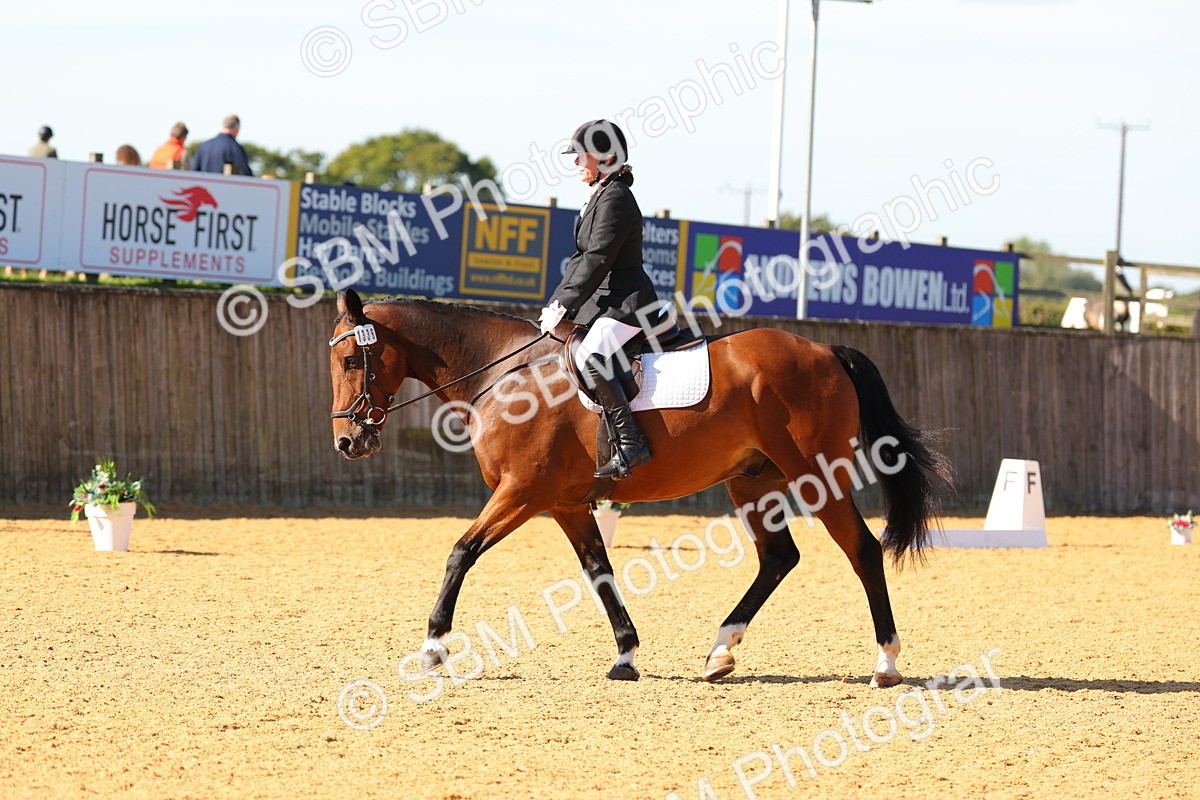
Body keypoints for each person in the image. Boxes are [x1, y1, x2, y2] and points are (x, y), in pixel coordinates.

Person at [539, 119, 657, 480]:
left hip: (626, 303)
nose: (576, 163)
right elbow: (580, 258)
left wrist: (567, 305)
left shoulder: (617, 198)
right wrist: (556, 303)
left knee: (592, 356)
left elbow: (598, 257)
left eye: (581, 156)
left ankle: (631, 442)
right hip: (604, 303)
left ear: (605, 159)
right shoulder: (601, 195)